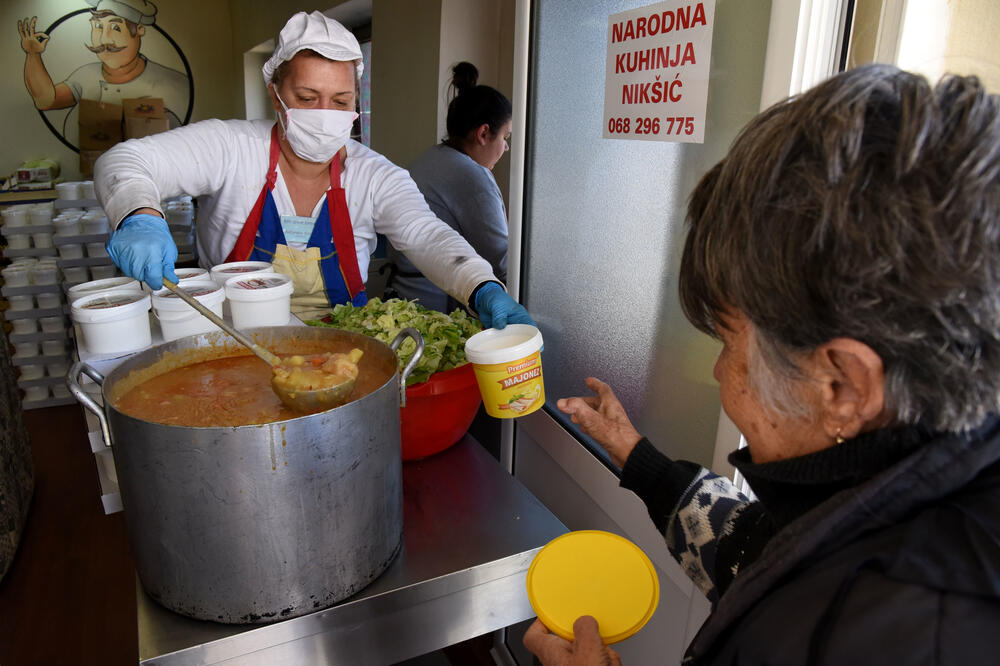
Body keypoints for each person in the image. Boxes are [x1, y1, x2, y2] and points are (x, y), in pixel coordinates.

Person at [525, 65, 1000, 664]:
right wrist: (636, 456)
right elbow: (762, 546)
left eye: (728, 340)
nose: (721, 373)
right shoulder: (925, 476)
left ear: (844, 386)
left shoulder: (891, 638)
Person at [94, 11, 532, 328]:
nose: (325, 114)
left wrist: (481, 287)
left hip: (341, 361)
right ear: (275, 94)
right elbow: (124, 160)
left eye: (340, 102)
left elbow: (425, 234)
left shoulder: (374, 176)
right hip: (237, 346)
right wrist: (139, 215)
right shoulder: (230, 148)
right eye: (306, 98)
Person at [386, 61, 511, 313]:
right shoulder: (473, 177)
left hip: (402, 299)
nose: (505, 148)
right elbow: (501, 260)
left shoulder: (428, 159)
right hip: (437, 311)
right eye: (505, 137)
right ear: (484, 133)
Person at [18, 0, 190, 128]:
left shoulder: (175, 83)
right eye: (98, 26)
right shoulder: (85, 75)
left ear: (139, 30)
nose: (104, 39)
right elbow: (46, 100)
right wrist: (33, 54)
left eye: (115, 28)